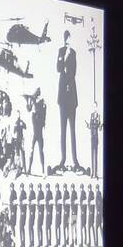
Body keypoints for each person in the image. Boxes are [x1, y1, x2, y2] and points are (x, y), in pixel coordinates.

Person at [56, 31, 80, 172]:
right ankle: (63, 160)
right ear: (64, 39)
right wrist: (64, 58)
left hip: (72, 97)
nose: (67, 40)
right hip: (63, 98)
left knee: (72, 130)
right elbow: (58, 69)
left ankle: (75, 160)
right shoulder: (61, 51)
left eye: (69, 38)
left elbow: (73, 72)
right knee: (63, 130)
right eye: (66, 38)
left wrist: (67, 67)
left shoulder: (74, 53)